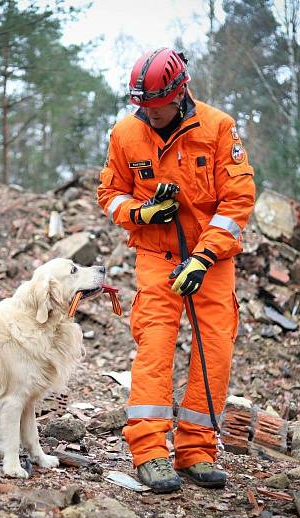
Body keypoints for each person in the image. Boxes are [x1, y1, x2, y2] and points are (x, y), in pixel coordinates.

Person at [97, 47, 256, 493]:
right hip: (156, 259)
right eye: (141, 106)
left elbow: (238, 200)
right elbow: (108, 194)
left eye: (155, 106)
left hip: (212, 262)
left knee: (215, 351)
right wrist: (141, 214)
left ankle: (197, 450)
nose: (148, 114)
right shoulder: (126, 134)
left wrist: (205, 257)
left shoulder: (217, 127)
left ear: (179, 92)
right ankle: (149, 452)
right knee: (155, 349)